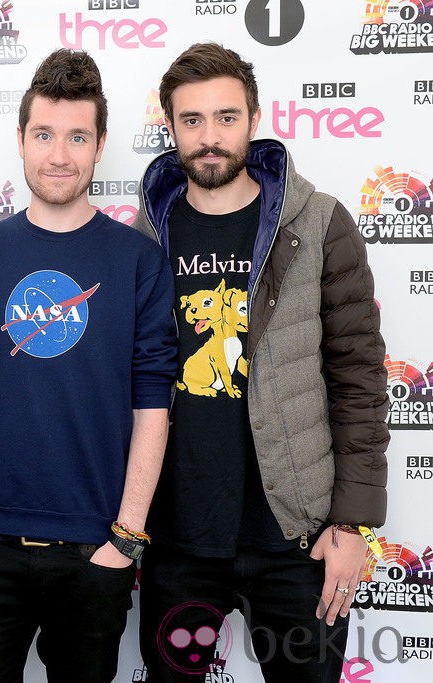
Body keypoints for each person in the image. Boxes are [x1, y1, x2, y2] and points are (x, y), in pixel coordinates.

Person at [132, 43, 389, 681]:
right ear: (170, 126)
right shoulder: (143, 239)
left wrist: (352, 522)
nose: (210, 137)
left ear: (255, 118)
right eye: (192, 121)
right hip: (180, 539)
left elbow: (359, 380)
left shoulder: (319, 224)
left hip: (296, 538)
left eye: (226, 117)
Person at [0, 49, 178, 682]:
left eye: (76, 137)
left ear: (99, 146)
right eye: (43, 135)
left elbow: (153, 403)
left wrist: (127, 538)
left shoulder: (137, 260)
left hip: (93, 547)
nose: (59, 154)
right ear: (20, 140)